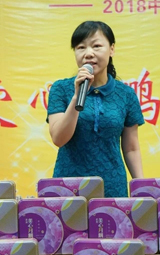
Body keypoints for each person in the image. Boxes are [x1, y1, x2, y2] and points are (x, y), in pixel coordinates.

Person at [47, 21, 144, 197]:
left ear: (111, 49)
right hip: (68, 187)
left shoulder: (126, 94)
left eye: (96, 46)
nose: (88, 53)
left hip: (112, 187)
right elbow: (58, 139)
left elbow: (131, 148)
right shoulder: (60, 89)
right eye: (81, 47)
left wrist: (141, 188)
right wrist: (77, 96)